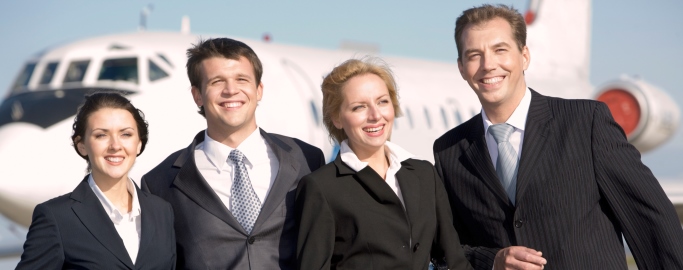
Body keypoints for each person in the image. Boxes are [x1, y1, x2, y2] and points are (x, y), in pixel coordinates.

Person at [432, 4, 683, 270]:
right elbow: (446, 250)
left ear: (524, 56)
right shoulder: (449, 151)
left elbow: (651, 222)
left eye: (500, 50)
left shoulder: (586, 123)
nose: (488, 65)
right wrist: (491, 261)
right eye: (474, 55)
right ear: (461, 67)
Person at [142, 37, 325, 269]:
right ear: (197, 95)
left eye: (242, 79)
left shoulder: (307, 160)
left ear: (259, 90)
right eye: (217, 81)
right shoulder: (159, 183)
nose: (231, 90)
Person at [295, 58, 473, 270]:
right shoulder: (321, 188)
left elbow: (454, 259)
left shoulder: (424, 174)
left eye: (382, 101)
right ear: (337, 118)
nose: (375, 115)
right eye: (359, 107)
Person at [16, 92, 176, 269]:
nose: (115, 145)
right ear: (82, 145)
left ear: (139, 143)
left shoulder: (162, 212)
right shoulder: (56, 218)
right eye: (101, 135)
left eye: (126, 134)